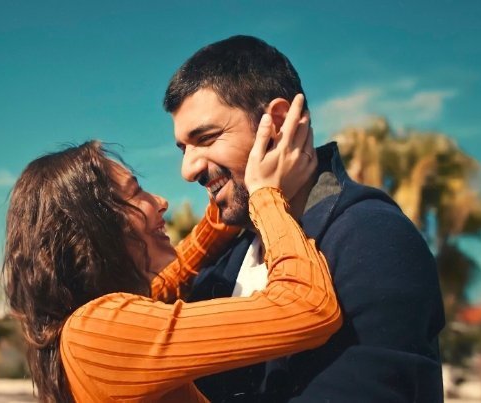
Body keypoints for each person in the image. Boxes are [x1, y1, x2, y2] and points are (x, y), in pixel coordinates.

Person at [163, 35, 445, 402]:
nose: (188, 170)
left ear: (278, 123)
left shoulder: (371, 238)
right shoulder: (224, 265)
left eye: (206, 138)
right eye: (183, 149)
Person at [2, 101, 343, 402]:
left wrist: (231, 191)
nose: (161, 201)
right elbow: (308, 306)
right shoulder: (98, 331)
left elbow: (181, 269)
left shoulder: (87, 330)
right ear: (95, 227)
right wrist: (264, 194)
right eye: (136, 193)